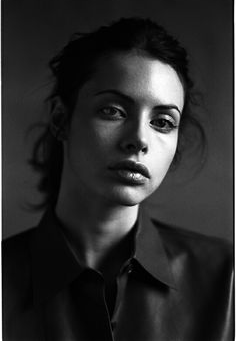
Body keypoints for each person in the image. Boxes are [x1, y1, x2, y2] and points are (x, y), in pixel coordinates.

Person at [3, 17, 233, 341]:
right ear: (60, 119)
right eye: (113, 111)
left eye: (163, 122)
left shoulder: (226, 279)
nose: (139, 139)